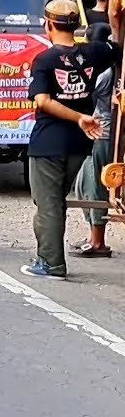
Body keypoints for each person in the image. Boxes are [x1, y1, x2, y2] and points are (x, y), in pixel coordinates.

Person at [23, 0, 122, 280]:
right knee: (54, 202)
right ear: (77, 25)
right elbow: (116, 44)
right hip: (79, 144)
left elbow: (42, 101)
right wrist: (114, 17)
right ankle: (45, 256)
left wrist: (78, 117)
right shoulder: (92, 54)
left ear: (48, 25)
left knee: (49, 204)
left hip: (48, 143)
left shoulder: (44, 60)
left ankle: (51, 264)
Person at [73, 22, 116, 259]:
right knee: (83, 184)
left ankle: (98, 241)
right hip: (97, 130)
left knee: (94, 184)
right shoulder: (106, 66)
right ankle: (92, 236)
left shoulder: (104, 70)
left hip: (101, 133)